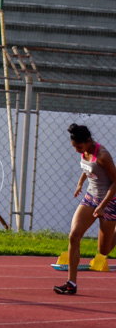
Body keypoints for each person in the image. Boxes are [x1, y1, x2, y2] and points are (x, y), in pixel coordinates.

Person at [55, 124, 116, 295]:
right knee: (74, 236)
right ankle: (71, 283)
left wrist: (103, 206)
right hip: (90, 198)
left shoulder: (103, 156)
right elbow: (87, 167)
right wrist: (81, 182)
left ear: (88, 141)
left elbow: (115, 182)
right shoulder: (84, 151)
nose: (77, 150)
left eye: (79, 147)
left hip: (109, 201)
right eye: (74, 147)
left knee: (104, 251)